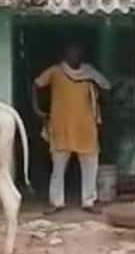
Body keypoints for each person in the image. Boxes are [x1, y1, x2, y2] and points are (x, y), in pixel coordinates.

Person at [32, 43, 111, 214]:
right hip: (61, 126)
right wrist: (37, 109)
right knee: (58, 168)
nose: (75, 56)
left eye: (78, 53)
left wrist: (96, 87)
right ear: (65, 55)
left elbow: (106, 89)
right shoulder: (55, 71)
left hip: (86, 127)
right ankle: (56, 202)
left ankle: (88, 201)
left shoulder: (90, 73)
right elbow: (36, 85)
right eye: (72, 53)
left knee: (90, 166)